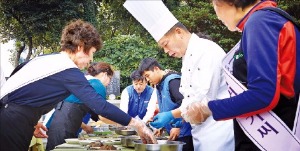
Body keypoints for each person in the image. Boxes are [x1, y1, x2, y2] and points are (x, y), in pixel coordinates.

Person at [0, 19, 156, 151]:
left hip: (14, 115)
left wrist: (33, 119)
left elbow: (18, 80)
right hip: (11, 120)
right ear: (81, 46)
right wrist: (137, 124)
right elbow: (100, 106)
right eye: (92, 52)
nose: (90, 60)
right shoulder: (66, 68)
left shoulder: (48, 60)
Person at [182, 0, 300, 150]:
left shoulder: (260, 22)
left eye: (215, 5)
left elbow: (262, 95)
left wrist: (209, 109)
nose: (217, 16)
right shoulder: (268, 19)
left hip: (270, 137)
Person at [123, 1, 234, 150]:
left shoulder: (206, 51)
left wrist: (172, 115)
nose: (166, 51)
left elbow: (202, 101)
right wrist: (180, 117)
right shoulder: (187, 57)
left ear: (178, 32)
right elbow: (188, 98)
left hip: (218, 132)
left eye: (166, 44)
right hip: (200, 131)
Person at [45, 62, 114, 150]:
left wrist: (86, 127)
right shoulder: (97, 84)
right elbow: (103, 114)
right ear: (104, 74)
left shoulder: (83, 81)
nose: (109, 83)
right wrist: (121, 123)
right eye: (110, 79)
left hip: (56, 123)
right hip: (65, 125)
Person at [138, 58, 194, 151]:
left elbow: (187, 106)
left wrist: (178, 127)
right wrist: (162, 126)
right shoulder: (160, 84)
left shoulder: (173, 82)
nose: (147, 80)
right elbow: (168, 107)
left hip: (185, 135)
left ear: (156, 69)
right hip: (174, 134)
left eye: (148, 76)